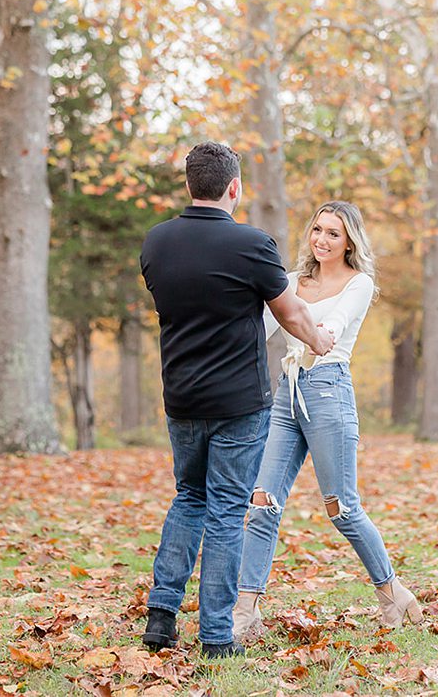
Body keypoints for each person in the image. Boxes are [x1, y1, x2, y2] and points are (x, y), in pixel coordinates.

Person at [138, 142, 335, 658]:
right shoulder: (252, 245)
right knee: (226, 511)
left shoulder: (157, 243)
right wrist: (319, 342)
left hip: (181, 396)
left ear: (189, 185)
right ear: (234, 188)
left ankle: (161, 617)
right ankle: (217, 636)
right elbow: (291, 312)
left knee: (189, 497)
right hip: (240, 402)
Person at [232, 201, 423, 642]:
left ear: (349, 241)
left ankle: (392, 591)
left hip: (329, 391)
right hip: (287, 394)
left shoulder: (359, 283)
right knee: (261, 503)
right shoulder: (292, 282)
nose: (322, 239)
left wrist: (321, 335)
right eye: (317, 230)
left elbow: (333, 325)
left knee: (342, 507)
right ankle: (246, 612)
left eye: (333, 233)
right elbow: (258, 330)